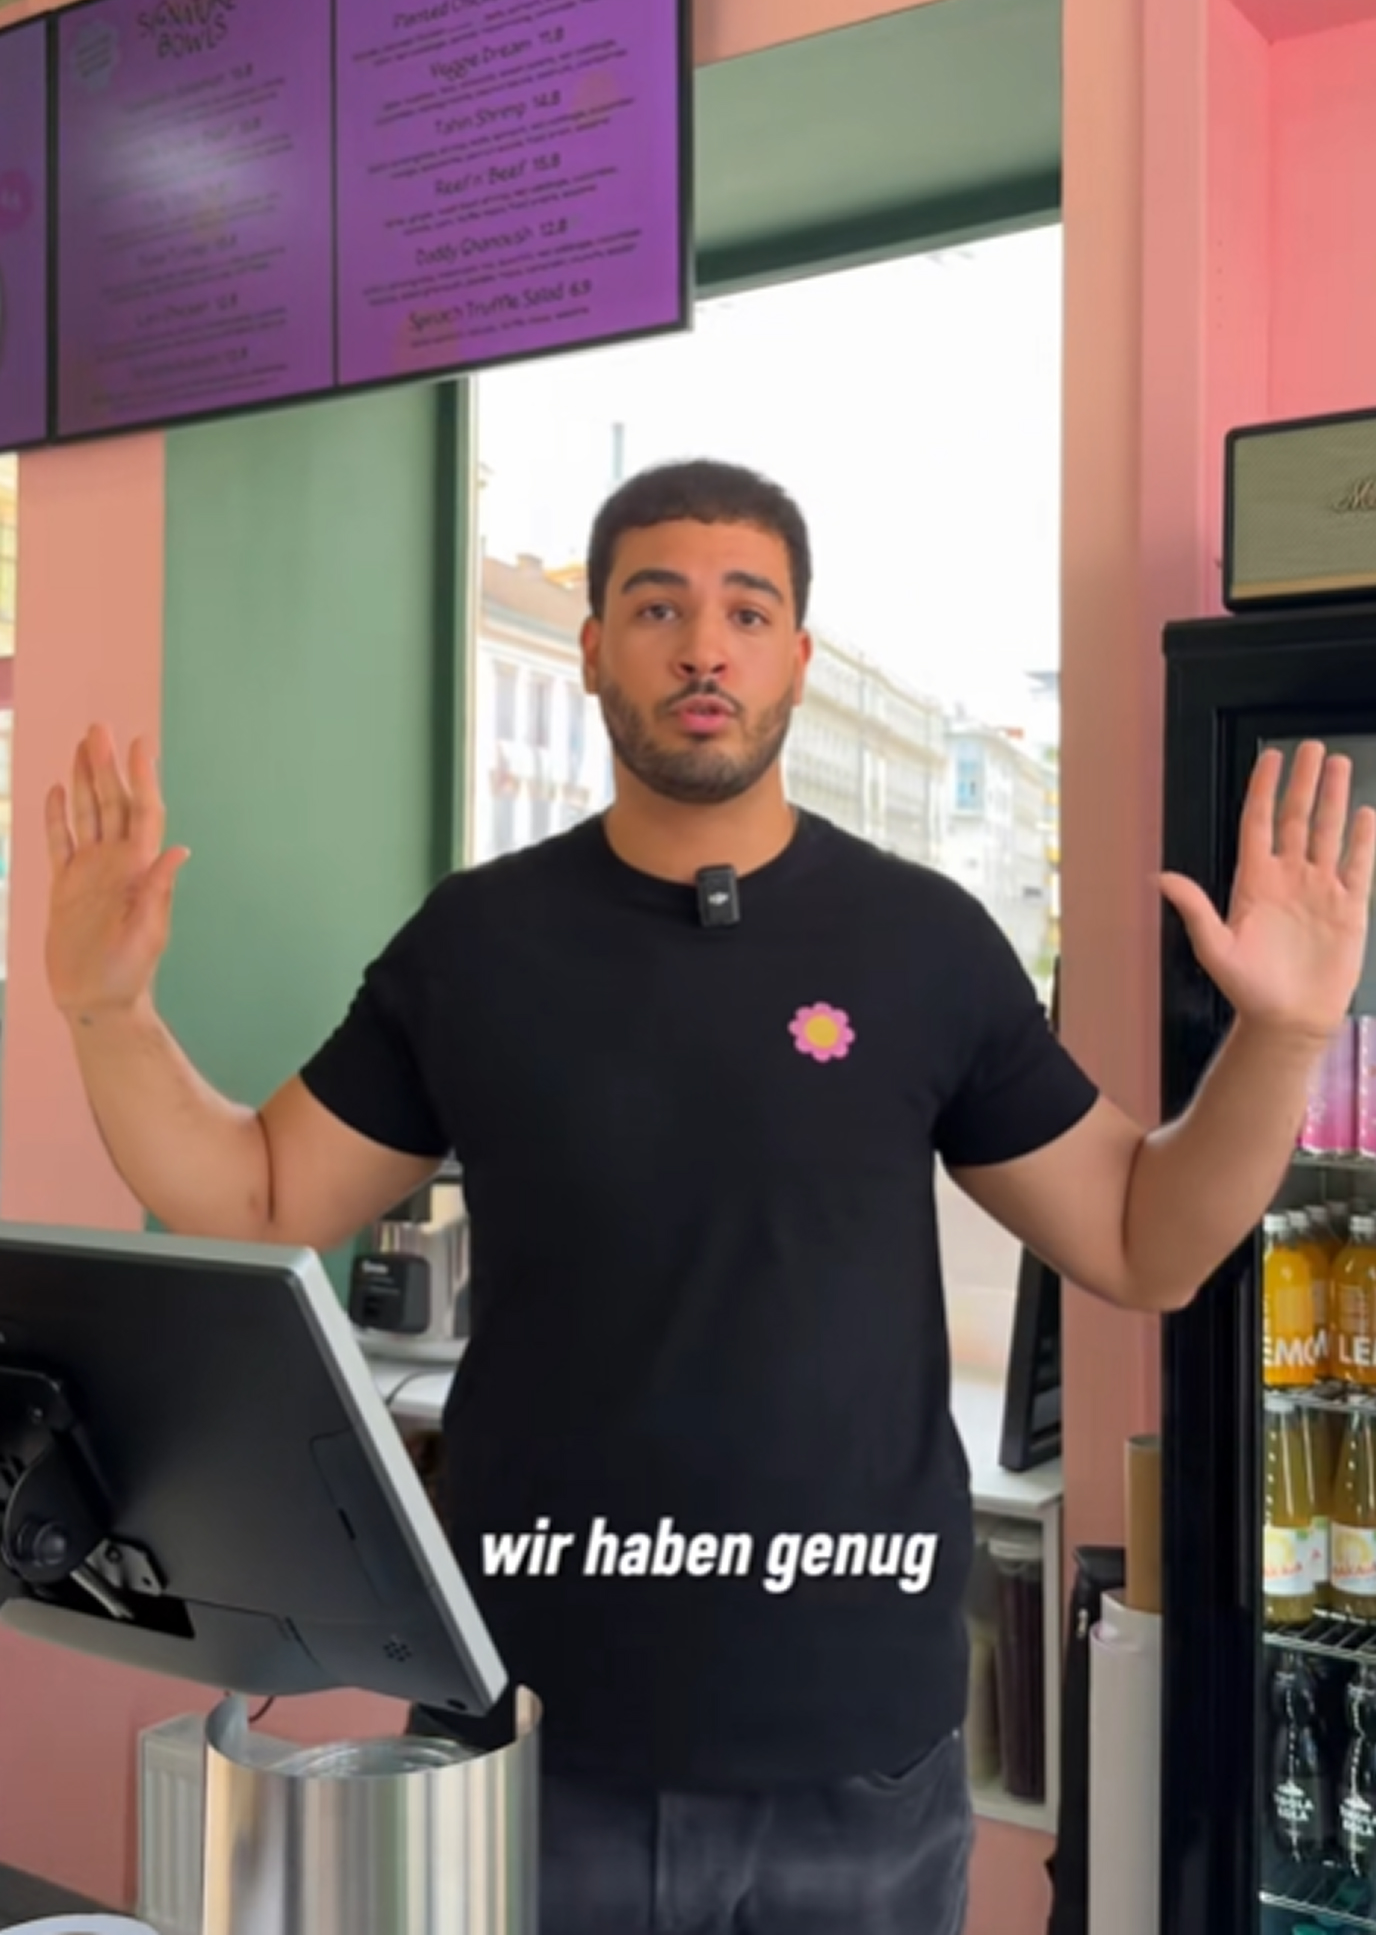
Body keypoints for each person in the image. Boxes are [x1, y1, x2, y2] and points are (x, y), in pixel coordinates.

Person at [43, 458, 1375, 1935]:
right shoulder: (476, 946)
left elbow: (1145, 1239)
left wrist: (1286, 1037)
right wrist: (109, 1015)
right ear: (594, 646)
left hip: (854, 1756)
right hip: (542, 1732)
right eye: (657, 604)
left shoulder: (921, 943)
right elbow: (257, 1193)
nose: (703, 644)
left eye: (748, 609)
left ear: (797, 655)